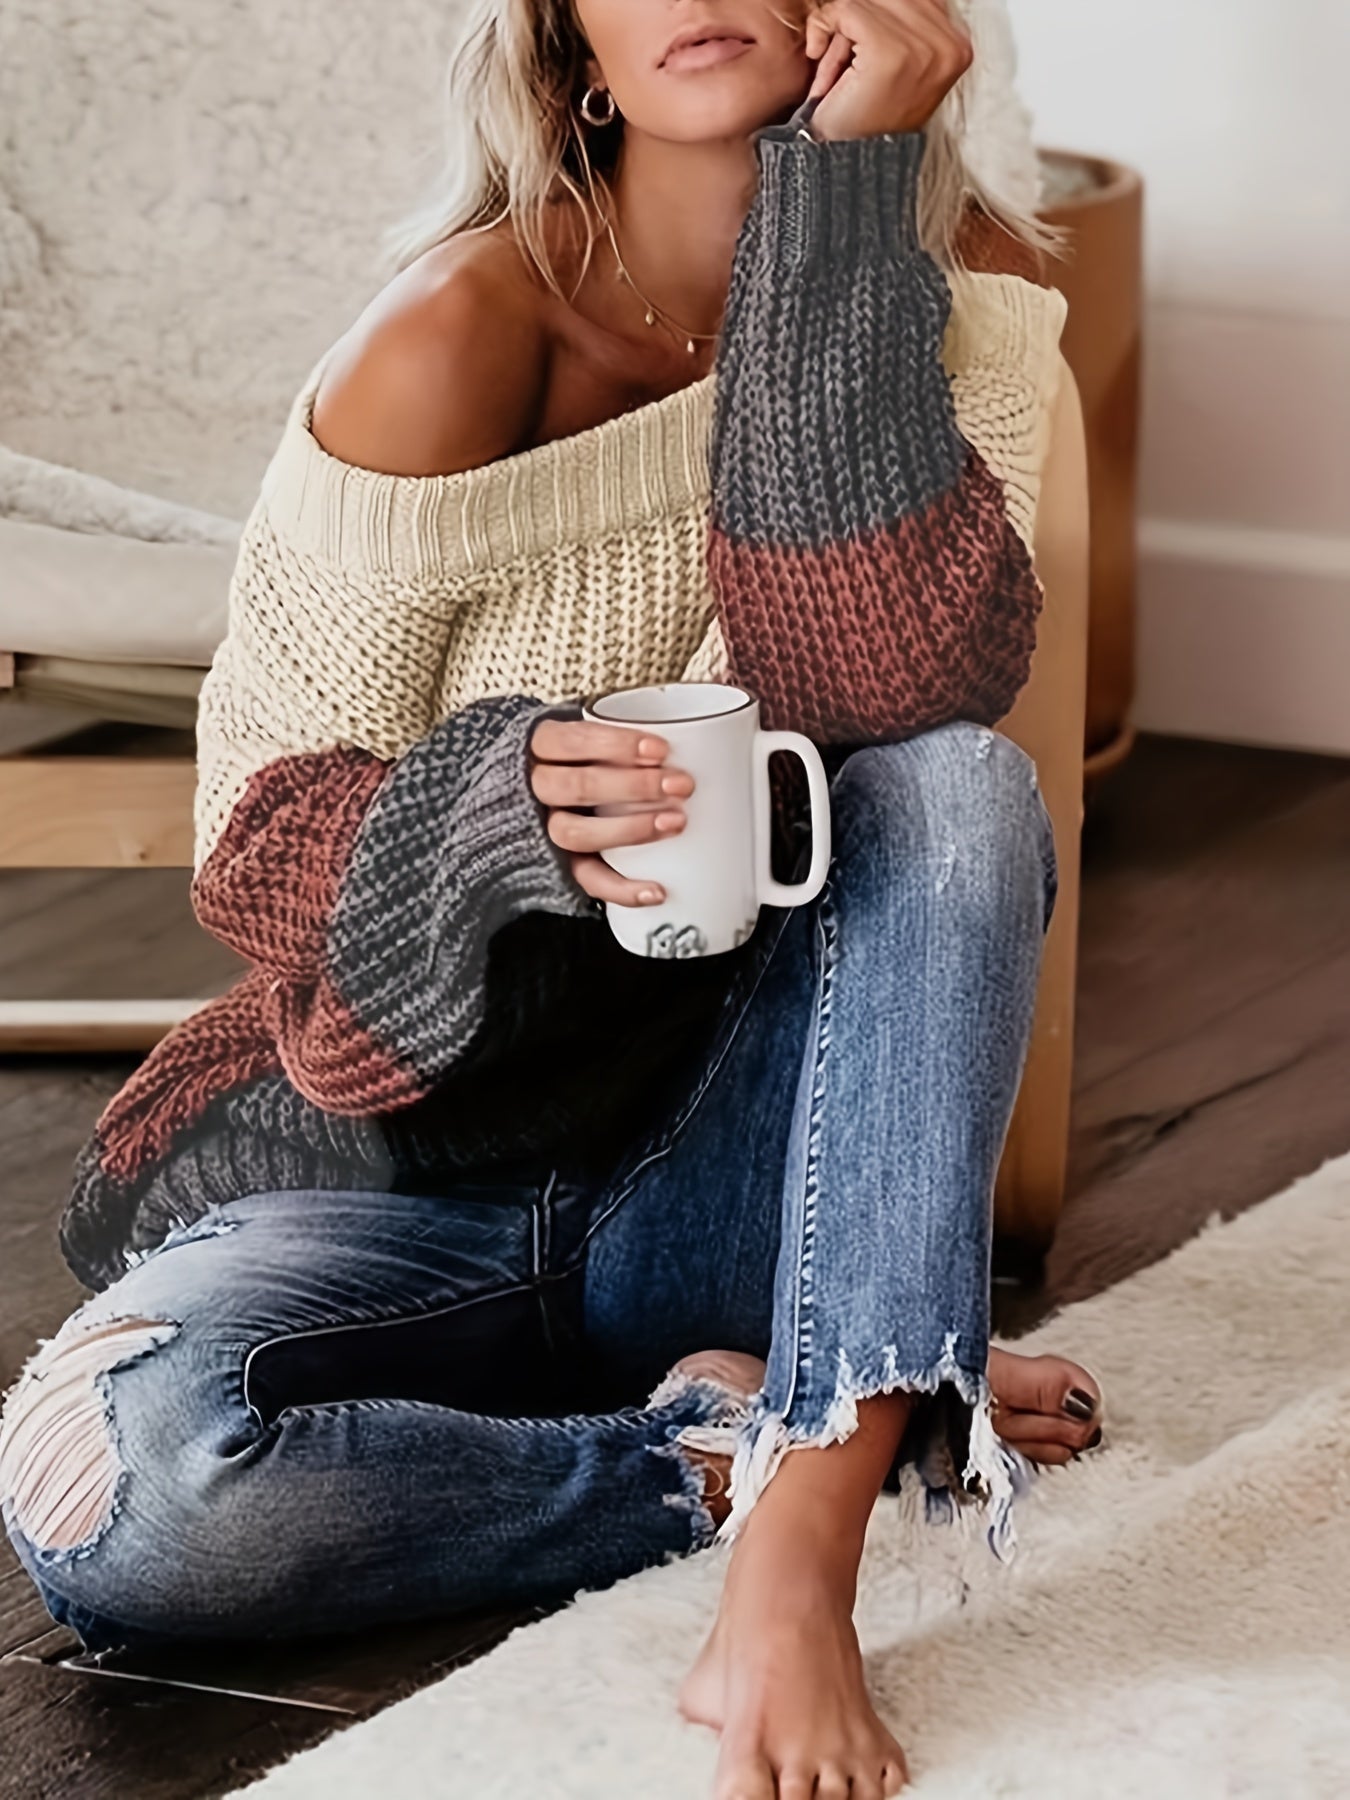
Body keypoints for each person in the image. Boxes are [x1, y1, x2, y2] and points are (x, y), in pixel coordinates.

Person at [0, 2, 1106, 1795]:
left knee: (956, 794)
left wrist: (830, 218)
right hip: (407, 1171)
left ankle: (798, 1547)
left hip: (738, 1156)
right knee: (111, 1484)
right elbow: (255, 839)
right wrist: (493, 809)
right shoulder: (453, 335)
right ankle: (720, 1448)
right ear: (571, 40)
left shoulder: (951, 307)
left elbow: (891, 696)